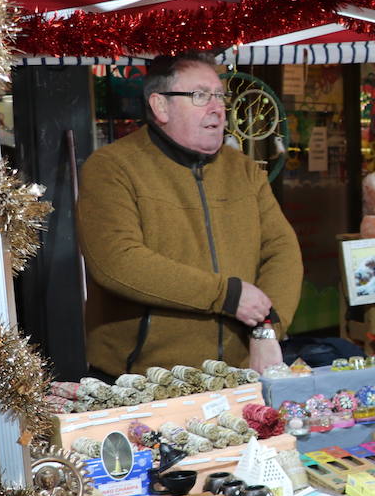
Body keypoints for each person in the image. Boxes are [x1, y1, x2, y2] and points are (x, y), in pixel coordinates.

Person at [77, 52, 302, 377]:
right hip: (145, 380)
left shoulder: (243, 170)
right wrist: (226, 296)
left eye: (220, 96)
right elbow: (117, 261)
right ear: (160, 106)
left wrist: (266, 328)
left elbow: (282, 251)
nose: (217, 107)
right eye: (200, 96)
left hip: (240, 372)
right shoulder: (113, 167)